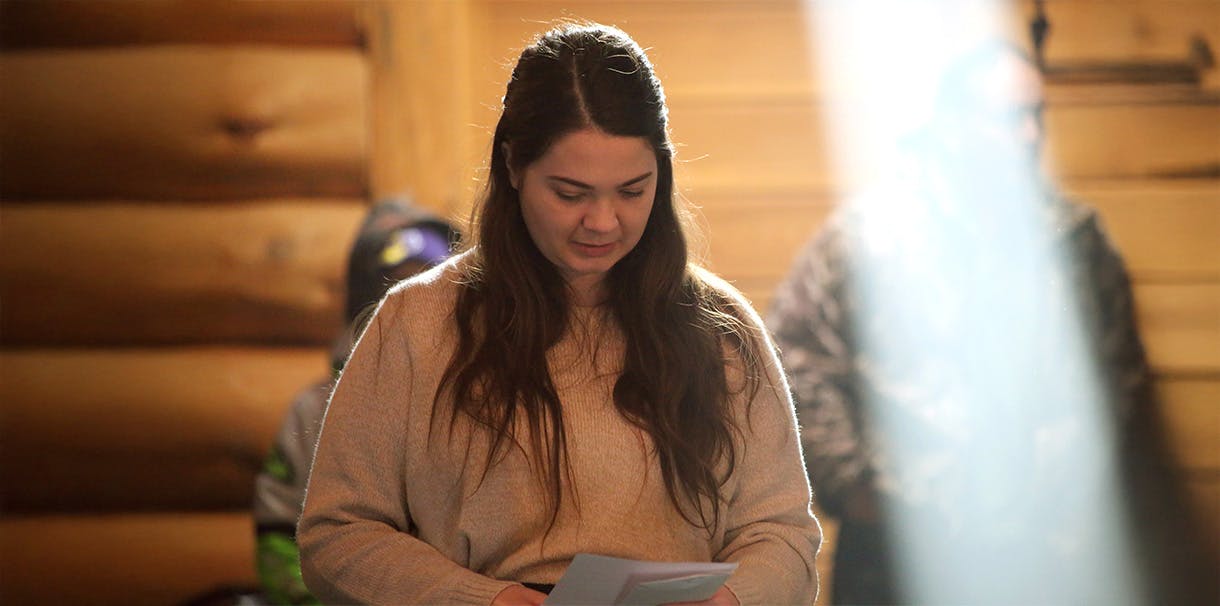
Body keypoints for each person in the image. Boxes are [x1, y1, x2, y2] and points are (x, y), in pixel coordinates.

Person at [296, 23, 821, 606]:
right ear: (514, 168)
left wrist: (732, 601)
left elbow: (783, 533)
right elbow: (336, 535)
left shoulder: (719, 327)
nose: (602, 222)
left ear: (662, 176)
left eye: (632, 190)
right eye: (570, 193)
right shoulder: (418, 323)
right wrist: (482, 600)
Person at [768, 41, 1216, 605]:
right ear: (952, 126)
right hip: (903, 560)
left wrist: (1072, 486)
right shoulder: (869, 240)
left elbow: (1118, 378)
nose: (1030, 136)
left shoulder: (1076, 241)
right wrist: (863, 490)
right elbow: (794, 363)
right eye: (1009, 118)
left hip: (1049, 559)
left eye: (1036, 117)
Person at [252, 198, 459, 605]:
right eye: (394, 288)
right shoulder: (315, 410)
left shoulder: (492, 398)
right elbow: (278, 536)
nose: (416, 309)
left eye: (431, 284)